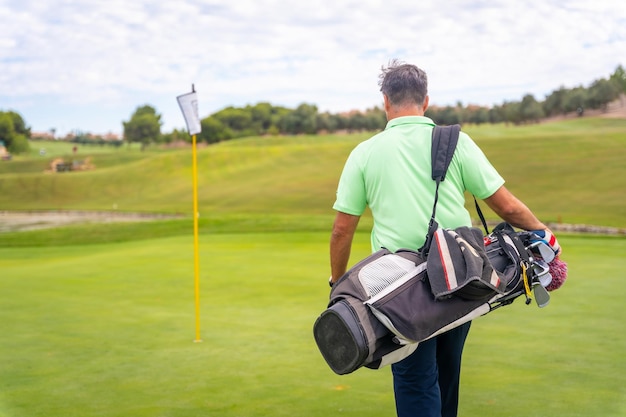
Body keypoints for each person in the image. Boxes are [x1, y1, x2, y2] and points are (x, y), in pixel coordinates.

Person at [329, 60, 561, 417]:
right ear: (425, 102)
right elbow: (507, 207)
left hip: (398, 291)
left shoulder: (364, 153)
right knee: (447, 371)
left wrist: (338, 284)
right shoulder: (457, 142)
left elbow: (342, 229)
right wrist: (545, 235)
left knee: (415, 381)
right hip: (459, 277)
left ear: (386, 102)